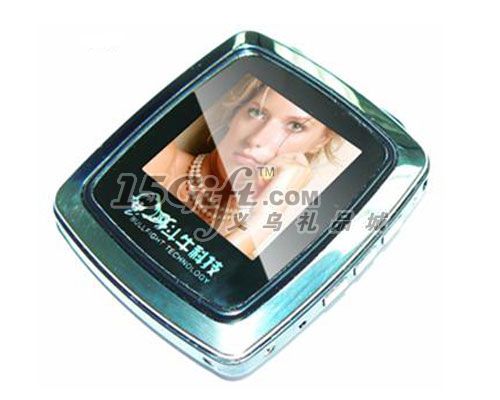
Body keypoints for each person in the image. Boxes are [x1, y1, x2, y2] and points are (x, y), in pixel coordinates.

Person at [144, 75, 345, 259]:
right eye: (256, 112)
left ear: (320, 142)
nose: (256, 139)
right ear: (235, 113)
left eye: (295, 126)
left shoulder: (267, 247)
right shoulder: (158, 159)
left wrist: (264, 217)